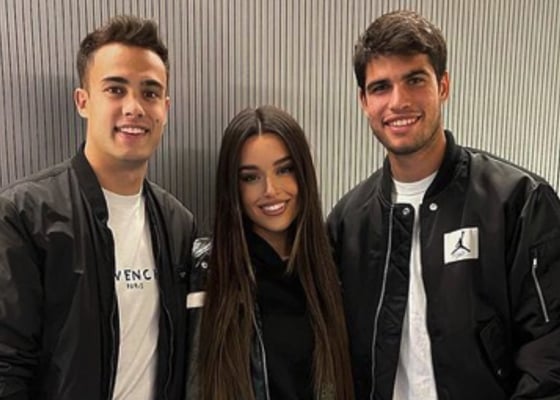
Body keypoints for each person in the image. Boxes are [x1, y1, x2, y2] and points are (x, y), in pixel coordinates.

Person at [327, 10, 560, 400]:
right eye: (381, 87)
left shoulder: (520, 202)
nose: (398, 101)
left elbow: (549, 352)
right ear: (364, 101)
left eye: (415, 80)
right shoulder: (347, 223)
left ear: (443, 85)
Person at [0, 15, 196, 400]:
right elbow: (6, 367)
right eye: (115, 89)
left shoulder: (178, 224)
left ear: (166, 108)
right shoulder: (24, 217)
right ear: (83, 101)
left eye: (150, 93)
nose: (134, 107)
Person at [190, 105, 354, 399]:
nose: (271, 189)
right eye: (250, 177)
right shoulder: (207, 273)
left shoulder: (334, 268)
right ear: (233, 188)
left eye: (284, 169)